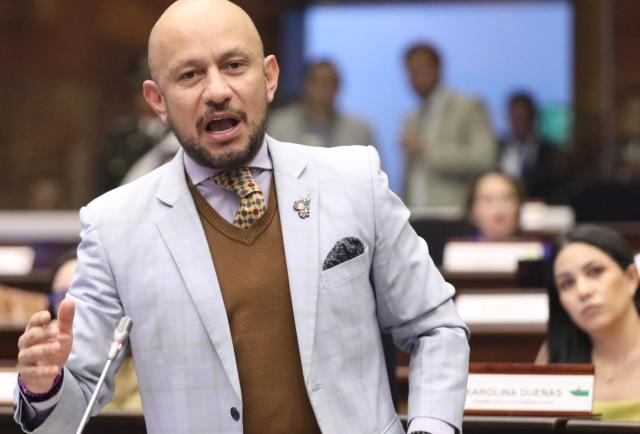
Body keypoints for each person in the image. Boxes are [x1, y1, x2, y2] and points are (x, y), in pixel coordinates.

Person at [14, 1, 469, 434]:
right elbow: (70, 411)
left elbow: (436, 329)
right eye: (190, 75)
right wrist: (43, 387)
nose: (217, 91)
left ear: (269, 77)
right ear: (157, 100)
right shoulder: (114, 226)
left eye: (234, 65)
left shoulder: (353, 180)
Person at [536, 224, 640, 421]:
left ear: (631, 278)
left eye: (595, 272)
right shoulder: (554, 354)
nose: (583, 291)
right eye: (567, 283)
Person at [401, 43, 497, 210]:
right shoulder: (412, 117)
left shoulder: (468, 106)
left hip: (455, 211)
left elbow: (484, 158)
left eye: (421, 69)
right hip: (415, 213)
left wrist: (426, 149)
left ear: (438, 68)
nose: (416, 77)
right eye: (411, 71)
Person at [46, 251, 142, 411]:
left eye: (84, 297)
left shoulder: (141, 366)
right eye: (61, 296)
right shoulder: (42, 354)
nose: (71, 308)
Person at [267, 60, 375, 148]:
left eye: (328, 82)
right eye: (316, 81)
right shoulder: (277, 126)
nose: (321, 88)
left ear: (338, 87)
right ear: (304, 85)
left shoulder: (359, 132)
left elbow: (374, 168)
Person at [499, 92, 558, 201]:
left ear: (533, 117)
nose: (519, 122)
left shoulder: (549, 151)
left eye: (523, 116)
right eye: (515, 117)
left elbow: (554, 187)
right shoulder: (497, 148)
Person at [465, 170, 522, 241]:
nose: (499, 206)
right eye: (488, 199)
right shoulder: (458, 247)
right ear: (471, 212)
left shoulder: (533, 246)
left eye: (507, 198)